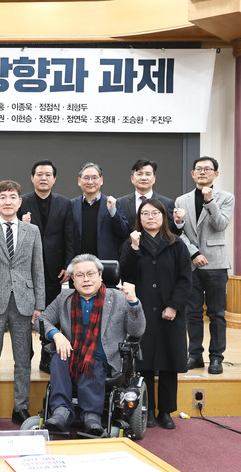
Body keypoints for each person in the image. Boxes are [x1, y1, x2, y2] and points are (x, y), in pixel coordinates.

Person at [39, 254, 144, 435]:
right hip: (72, 354)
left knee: (93, 363)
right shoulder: (64, 298)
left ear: (100, 275)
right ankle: (61, 412)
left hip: (104, 358)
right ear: (73, 279)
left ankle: (91, 415)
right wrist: (56, 334)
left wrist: (134, 303)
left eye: (91, 274)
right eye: (80, 275)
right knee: (58, 359)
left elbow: (137, 331)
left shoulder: (118, 298)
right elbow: (41, 320)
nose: (86, 279)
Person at [0, 180, 45, 430]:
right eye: (3, 197)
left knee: (23, 359)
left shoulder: (32, 231)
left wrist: (39, 304)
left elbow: (38, 268)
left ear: (19, 201)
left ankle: (20, 407)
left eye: (13, 197)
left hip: (24, 301)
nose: (8, 201)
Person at [120, 199, 191, 429]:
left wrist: (174, 305)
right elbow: (126, 275)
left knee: (169, 362)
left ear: (164, 217)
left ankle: (166, 411)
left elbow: (185, 279)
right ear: (139, 219)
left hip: (170, 312)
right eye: (145, 214)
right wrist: (133, 249)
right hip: (142, 313)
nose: (150, 217)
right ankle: (147, 409)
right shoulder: (131, 243)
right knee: (145, 362)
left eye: (155, 213)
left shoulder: (176, 244)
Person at [174, 156, 235, 374]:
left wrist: (209, 201)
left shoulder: (226, 197)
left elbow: (220, 225)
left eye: (207, 169)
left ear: (215, 174)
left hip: (216, 264)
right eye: (198, 169)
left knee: (217, 314)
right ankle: (195, 355)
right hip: (191, 264)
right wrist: (194, 253)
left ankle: (216, 357)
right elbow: (179, 232)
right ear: (192, 174)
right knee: (192, 313)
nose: (202, 172)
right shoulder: (181, 200)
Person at [19, 160, 75, 306]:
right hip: (27, 267)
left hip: (54, 269)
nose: (43, 178)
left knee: (52, 309)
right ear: (32, 178)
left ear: (54, 179)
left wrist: (68, 266)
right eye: (39, 174)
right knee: (27, 309)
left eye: (48, 175)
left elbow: (70, 237)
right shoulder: (21, 202)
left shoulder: (64, 203)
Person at [70, 162, 128, 260]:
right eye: (86, 178)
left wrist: (113, 211)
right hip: (79, 262)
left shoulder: (113, 203)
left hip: (105, 262)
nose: (90, 182)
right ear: (79, 181)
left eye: (94, 178)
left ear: (101, 180)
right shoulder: (71, 205)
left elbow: (123, 233)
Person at [118, 159, 180, 235]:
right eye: (139, 174)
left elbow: (172, 233)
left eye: (148, 174)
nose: (143, 178)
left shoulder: (167, 203)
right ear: (132, 179)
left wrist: (178, 222)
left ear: (154, 179)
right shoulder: (121, 203)